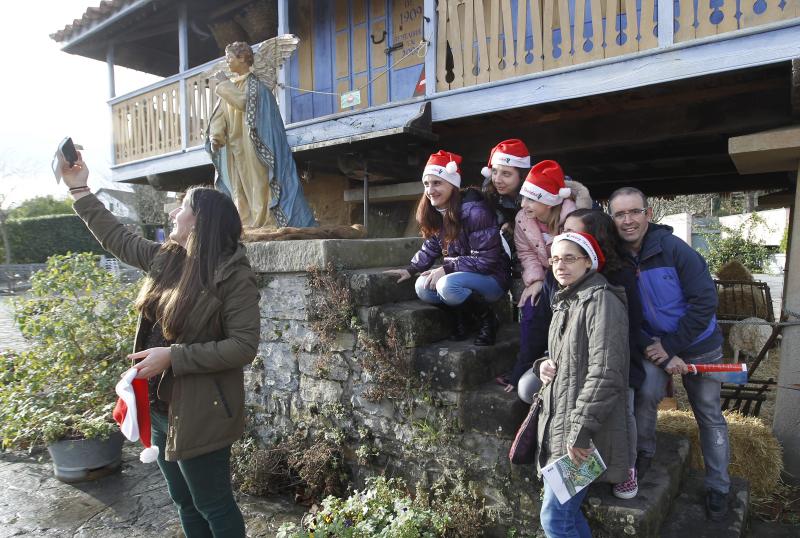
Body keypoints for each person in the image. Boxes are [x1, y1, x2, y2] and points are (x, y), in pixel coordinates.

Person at [61, 154, 260, 537]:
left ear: (200, 221)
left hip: (202, 409)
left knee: (213, 504)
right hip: (157, 405)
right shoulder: (168, 259)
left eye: (182, 207)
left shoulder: (233, 277)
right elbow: (118, 238)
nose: (173, 212)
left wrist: (174, 356)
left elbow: (243, 347)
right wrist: (79, 189)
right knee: (184, 502)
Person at [609, 186, 729, 521]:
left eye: (634, 212)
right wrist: (655, 347)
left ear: (648, 214)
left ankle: (719, 485)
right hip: (656, 346)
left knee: (708, 412)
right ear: (612, 218)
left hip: (699, 345)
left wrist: (672, 346)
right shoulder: (618, 259)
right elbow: (629, 313)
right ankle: (644, 454)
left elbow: (705, 301)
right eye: (620, 214)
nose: (628, 220)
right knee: (645, 393)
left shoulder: (675, 250)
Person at [534, 232, 630, 537]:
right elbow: (566, 358)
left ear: (588, 261)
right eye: (555, 259)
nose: (560, 265)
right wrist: (543, 365)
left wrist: (580, 432)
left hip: (583, 434)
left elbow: (606, 373)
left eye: (570, 258)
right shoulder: (567, 300)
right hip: (565, 427)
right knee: (567, 516)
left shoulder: (600, 300)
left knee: (555, 519)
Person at [385, 150, 511, 346]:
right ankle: (463, 319)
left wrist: (446, 268)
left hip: (493, 278)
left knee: (447, 285)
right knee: (422, 287)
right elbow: (432, 246)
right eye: (427, 184)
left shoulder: (475, 212)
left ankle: (489, 321)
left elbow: (487, 262)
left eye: (437, 183)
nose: (430, 190)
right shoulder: (438, 212)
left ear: (452, 184)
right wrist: (411, 269)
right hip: (464, 273)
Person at [498, 161, 591, 391]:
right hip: (545, 276)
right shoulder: (522, 219)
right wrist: (536, 280)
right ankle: (524, 366)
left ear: (550, 200)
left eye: (532, 199)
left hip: (572, 278)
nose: (524, 204)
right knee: (530, 309)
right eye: (524, 198)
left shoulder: (574, 218)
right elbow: (526, 253)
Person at [209, 41, 317, 229]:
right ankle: (246, 222)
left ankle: (265, 220)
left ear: (242, 58)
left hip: (256, 143)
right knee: (240, 186)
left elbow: (243, 102)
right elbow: (220, 114)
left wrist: (224, 84)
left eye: (229, 59)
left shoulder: (255, 86)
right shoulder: (230, 86)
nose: (227, 64)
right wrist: (216, 137)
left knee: (259, 183)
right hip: (236, 146)